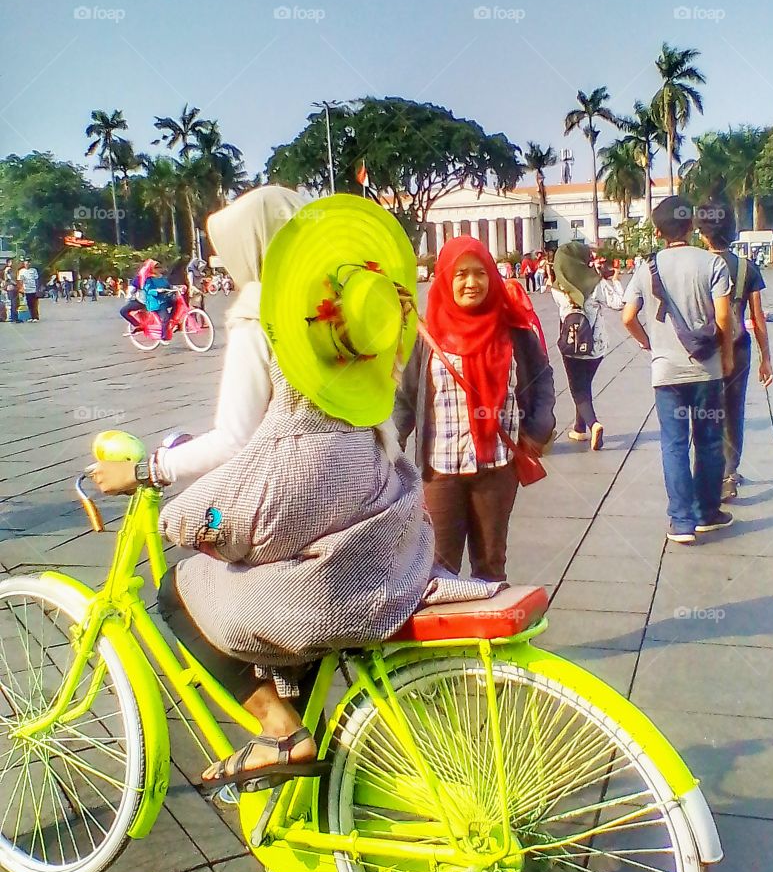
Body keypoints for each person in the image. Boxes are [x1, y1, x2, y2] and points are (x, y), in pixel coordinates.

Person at [152, 195, 485, 791]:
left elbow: (238, 446)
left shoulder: (264, 315)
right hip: (383, 514)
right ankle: (321, 798)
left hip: (313, 520)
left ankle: (281, 734)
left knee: (180, 585)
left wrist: (160, 479)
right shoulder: (352, 311)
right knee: (295, 637)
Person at [94, 187, 307, 496]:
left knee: (187, 520)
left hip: (300, 491)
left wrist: (145, 471)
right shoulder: (349, 301)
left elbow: (233, 440)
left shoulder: (260, 315)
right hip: (379, 486)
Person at [395, 235, 556, 583]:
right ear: (445, 278)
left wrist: (539, 428)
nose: (472, 282)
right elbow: (405, 398)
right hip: (440, 470)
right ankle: (450, 637)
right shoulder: (425, 336)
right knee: (438, 568)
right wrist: (388, 449)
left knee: (491, 563)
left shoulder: (513, 329)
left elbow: (542, 379)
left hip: (497, 467)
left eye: (480, 273)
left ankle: (494, 636)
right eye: (461, 274)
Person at [622, 195, 735, 544]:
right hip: (706, 371)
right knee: (709, 442)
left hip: (666, 372)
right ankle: (708, 513)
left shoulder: (647, 268)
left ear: (658, 232)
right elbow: (723, 318)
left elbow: (627, 317)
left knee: (673, 445)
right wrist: (727, 356)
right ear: (692, 226)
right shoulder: (712, 264)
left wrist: (650, 344)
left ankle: (681, 521)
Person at [696, 203, 773, 501]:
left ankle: (708, 471)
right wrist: (766, 357)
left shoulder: (700, 265)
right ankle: (730, 473)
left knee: (706, 410)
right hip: (739, 347)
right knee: (733, 410)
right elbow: (757, 316)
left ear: (702, 233)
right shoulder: (746, 267)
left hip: (705, 349)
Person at [551, 241, 609, 450]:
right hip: (597, 345)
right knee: (584, 386)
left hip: (572, 343)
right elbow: (618, 302)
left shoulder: (558, 289)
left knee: (578, 389)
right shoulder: (597, 284)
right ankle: (579, 428)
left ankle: (593, 424)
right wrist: (611, 279)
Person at [118, 260, 176, 342]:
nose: (158, 269)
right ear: (151, 268)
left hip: (148, 301)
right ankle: (138, 325)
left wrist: (129, 299)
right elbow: (138, 289)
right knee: (123, 311)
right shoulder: (146, 278)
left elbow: (132, 290)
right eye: (156, 267)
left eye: (159, 267)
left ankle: (138, 325)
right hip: (147, 301)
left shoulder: (150, 277)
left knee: (123, 311)